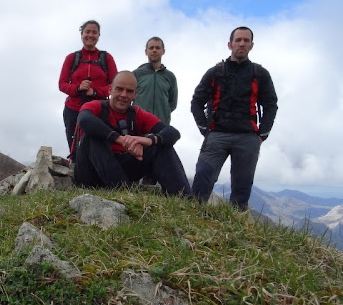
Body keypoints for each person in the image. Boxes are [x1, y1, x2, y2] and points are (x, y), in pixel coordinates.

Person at [191, 26, 278, 211]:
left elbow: (271, 104)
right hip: (217, 134)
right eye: (238, 40)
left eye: (246, 40)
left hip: (247, 137)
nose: (242, 44)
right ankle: (192, 218)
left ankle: (235, 229)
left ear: (252, 45)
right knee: (203, 177)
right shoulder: (215, 72)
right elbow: (196, 102)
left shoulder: (260, 74)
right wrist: (205, 130)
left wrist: (262, 135)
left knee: (242, 187)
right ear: (230, 44)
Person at [72, 70, 191, 196]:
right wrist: (120, 139)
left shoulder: (137, 114)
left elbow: (172, 132)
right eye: (119, 89)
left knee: (162, 146)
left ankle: (184, 198)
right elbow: (84, 120)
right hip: (90, 174)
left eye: (129, 91)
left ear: (135, 94)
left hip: (121, 169)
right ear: (110, 90)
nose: (124, 95)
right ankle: (123, 193)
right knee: (91, 138)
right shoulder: (96, 106)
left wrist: (150, 140)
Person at [58, 20, 118, 157]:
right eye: (87, 32)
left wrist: (95, 92)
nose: (91, 35)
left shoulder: (106, 58)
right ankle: (75, 171)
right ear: (82, 34)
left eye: (94, 32)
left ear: (99, 36)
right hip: (73, 109)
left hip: (99, 109)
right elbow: (62, 84)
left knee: (99, 143)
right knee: (74, 145)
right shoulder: (72, 58)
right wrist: (78, 88)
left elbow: (115, 85)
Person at [133, 36, 178, 125]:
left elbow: (172, 103)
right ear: (146, 52)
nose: (154, 50)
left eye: (157, 48)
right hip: (138, 124)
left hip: (161, 125)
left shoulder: (170, 76)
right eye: (151, 48)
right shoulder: (136, 74)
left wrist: (163, 114)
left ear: (163, 51)